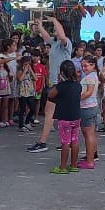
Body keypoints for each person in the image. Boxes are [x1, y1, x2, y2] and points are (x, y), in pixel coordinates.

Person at [27, 17, 73, 153]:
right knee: (55, 114)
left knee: (53, 113)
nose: (54, 31)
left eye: (56, 29)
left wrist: (54, 20)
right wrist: (40, 26)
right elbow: (46, 37)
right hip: (55, 83)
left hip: (63, 83)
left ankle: (44, 142)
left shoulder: (66, 43)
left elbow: (63, 36)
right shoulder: (54, 42)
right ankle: (64, 141)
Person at [48, 61, 82, 174]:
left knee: (65, 142)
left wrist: (58, 82)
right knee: (75, 141)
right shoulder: (78, 85)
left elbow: (50, 94)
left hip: (64, 118)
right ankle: (73, 165)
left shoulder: (61, 86)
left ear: (62, 73)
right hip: (76, 116)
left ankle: (63, 167)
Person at [78, 56, 100, 169]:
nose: (83, 68)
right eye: (82, 66)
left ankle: (90, 160)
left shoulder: (90, 77)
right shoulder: (93, 76)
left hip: (86, 107)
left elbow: (89, 92)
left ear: (93, 65)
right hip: (91, 106)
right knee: (91, 134)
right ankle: (91, 155)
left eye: (86, 66)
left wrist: (77, 98)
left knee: (88, 135)